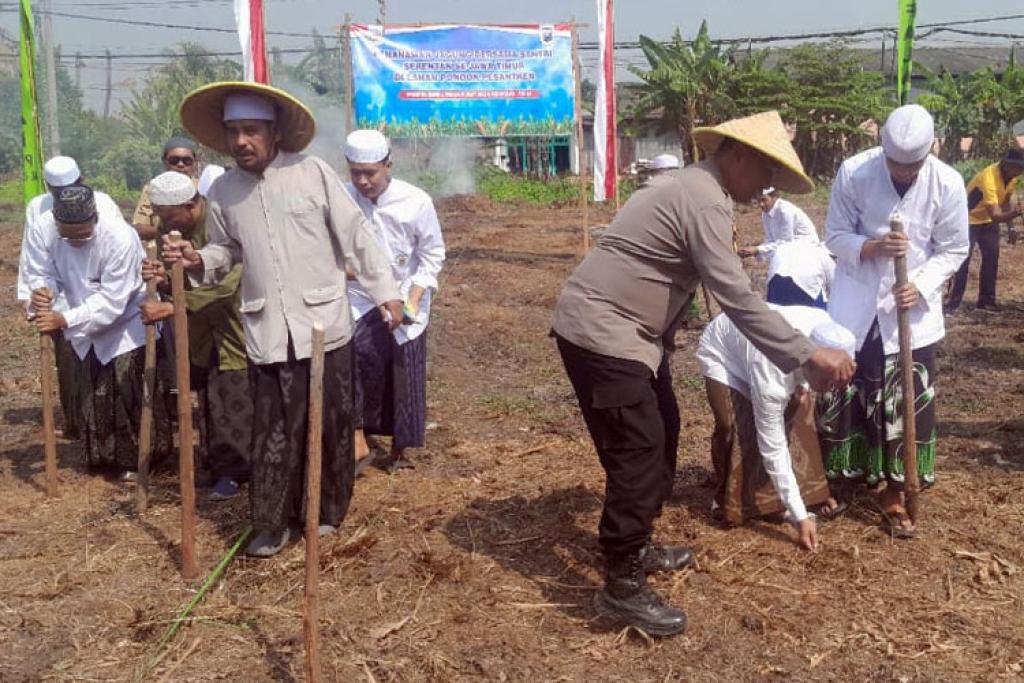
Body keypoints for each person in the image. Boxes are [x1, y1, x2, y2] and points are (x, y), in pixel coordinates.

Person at [551, 110, 856, 636]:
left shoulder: (700, 190)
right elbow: (734, 294)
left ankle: (637, 543)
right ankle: (620, 583)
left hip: (632, 339)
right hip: (602, 332)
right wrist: (806, 354)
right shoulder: (702, 198)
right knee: (639, 449)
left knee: (662, 432)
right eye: (765, 172)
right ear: (736, 154)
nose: (766, 188)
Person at [163, 81, 403, 557]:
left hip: (324, 326)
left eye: (251, 131)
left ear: (273, 133)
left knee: (331, 424)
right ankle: (271, 522)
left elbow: (356, 236)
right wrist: (196, 260)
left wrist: (387, 292)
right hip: (267, 330)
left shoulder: (311, 173)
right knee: (272, 430)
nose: (241, 142)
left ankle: (326, 512)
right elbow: (226, 250)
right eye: (233, 132)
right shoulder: (226, 191)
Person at [821, 104, 969, 538]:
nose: (903, 174)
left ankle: (897, 487)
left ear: (929, 154)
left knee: (904, 402)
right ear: (882, 150)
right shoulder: (854, 171)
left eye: (912, 166)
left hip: (910, 314)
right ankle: (845, 478)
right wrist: (870, 247)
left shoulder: (948, 183)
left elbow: (954, 248)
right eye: (895, 165)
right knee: (852, 392)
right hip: (857, 307)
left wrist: (921, 284)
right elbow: (833, 235)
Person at [26, 185, 170, 480]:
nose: (77, 239)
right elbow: (44, 273)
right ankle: (103, 457)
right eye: (69, 234)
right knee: (94, 391)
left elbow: (112, 301)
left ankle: (141, 459)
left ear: (94, 218)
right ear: (57, 222)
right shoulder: (47, 232)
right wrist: (42, 294)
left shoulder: (119, 237)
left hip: (125, 323)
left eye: (83, 233)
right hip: (81, 322)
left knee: (126, 387)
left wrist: (65, 319)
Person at [697, 306, 855, 551]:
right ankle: (723, 497)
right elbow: (773, 447)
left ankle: (787, 499)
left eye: (836, 382)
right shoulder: (771, 373)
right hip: (723, 349)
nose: (829, 388)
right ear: (808, 363)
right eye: (825, 380)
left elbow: (817, 377)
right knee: (732, 426)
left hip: (767, 356)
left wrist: (805, 386)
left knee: (800, 414)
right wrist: (801, 518)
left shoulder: (828, 331)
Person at [139, 171, 252, 500]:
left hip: (234, 325)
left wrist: (174, 307)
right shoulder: (170, 230)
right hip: (199, 331)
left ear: (191, 206)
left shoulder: (220, 224)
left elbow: (227, 284)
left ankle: (236, 473)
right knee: (206, 402)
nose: (161, 221)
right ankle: (217, 467)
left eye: (168, 215)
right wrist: (159, 278)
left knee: (234, 400)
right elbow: (174, 278)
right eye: (159, 214)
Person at [342, 130, 446, 474]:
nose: (362, 180)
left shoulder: (415, 201)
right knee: (352, 361)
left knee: (404, 370)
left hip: (406, 294)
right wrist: (356, 275)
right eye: (355, 172)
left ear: (388, 165)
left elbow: (432, 255)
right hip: (358, 298)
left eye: (370, 172)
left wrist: (412, 301)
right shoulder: (342, 200)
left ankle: (400, 451)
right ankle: (357, 438)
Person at [18, 156, 123, 439]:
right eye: (57, 191)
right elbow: (36, 264)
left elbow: (114, 255)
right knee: (69, 364)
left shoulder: (104, 205)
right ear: (48, 188)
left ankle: (109, 430)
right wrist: (37, 295)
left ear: (82, 181)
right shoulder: (38, 213)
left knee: (109, 368)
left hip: (104, 299)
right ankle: (79, 425)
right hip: (62, 301)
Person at [945, 147, 1024, 313]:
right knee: (962, 260)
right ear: (1008, 164)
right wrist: (1015, 214)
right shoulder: (989, 177)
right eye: (1019, 168)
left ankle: (986, 302)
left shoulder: (1011, 177)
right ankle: (953, 303)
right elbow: (996, 214)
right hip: (967, 219)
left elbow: (1007, 199)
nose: (1021, 172)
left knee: (991, 259)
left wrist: (1010, 228)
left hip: (987, 221)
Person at [133, 137, 199, 241]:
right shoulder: (152, 189)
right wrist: (167, 233)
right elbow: (138, 228)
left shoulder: (202, 188)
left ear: (194, 162)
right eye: (174, 160)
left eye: (187, 161)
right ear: (164, 161)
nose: (180, 165)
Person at [737, 186, 820, 260]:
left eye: (764, 200)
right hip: (789, 246)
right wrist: (755, 250)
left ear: (774, 197)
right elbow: (770, 239)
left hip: (806, 247)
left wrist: (758, 249)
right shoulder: (765, 214)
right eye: (758, 201)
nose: (761, 204)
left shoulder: (785, 211)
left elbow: (786, 243)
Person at [764, 240, 835, 309]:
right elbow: (835, 290)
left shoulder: (788, 246)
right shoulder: (825, 256)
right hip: (804, 290)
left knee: (777, 317)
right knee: (820, 317)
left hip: (776, 282)